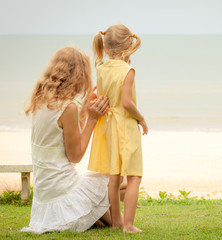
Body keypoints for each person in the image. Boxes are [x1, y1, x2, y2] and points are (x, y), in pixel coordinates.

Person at [21, 47, 112, 233]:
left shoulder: (40, 100)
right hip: (63, 193)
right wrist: (92, 119)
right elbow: (75, 156)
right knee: (121, 184)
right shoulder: (68, 107)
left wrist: (84, 110)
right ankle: (111, 222)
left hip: (45, 198)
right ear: (78, 75)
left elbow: (61, 136)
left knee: (107, 196)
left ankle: (94, 218)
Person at [89, 24, 148, 234]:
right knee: (133, 176)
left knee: (113, 177)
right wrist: (141, 119)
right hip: (125, 126)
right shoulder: (128, 70)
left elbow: (104, 97)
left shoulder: (101, 68)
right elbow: (126, 103)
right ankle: (129, 225)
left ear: (105, 47)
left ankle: (115, 222)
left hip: (109, 126)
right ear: (127, 47)